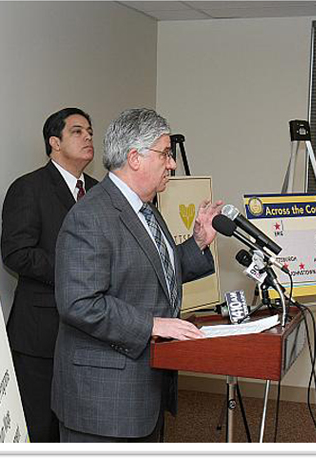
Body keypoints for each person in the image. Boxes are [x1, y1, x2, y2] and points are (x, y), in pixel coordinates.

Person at [51, 108, 223, 442]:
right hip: (103, 402)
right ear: (135, 158)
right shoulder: (90, 216)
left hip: (145, 385)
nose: (171, 164)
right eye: (165, 154)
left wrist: (199, 241)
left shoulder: (146, 209)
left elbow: (156, 272)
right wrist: (152, 324)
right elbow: (79, 303)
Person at [1, 107, 98, 442]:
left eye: (89, 131)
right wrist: (77, 274)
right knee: (41, 428)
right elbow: (17, 253)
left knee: (82, 423)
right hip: (41, 333)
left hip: (92, 330)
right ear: (54, 142)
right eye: (77, 131)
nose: (88, 137)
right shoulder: (28, 188)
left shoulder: (100, 193)